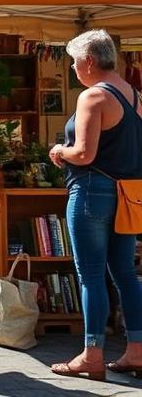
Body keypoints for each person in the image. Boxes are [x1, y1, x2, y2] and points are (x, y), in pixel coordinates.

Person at [48, 30, 142, 381]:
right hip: (128, 194)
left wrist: (59, 151)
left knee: (90, 276)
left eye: (73, 62)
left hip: (92, 191)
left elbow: (84, 154)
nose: (73, 69)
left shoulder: (94, 97)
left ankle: (92, 354)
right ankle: (136, 350)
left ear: (89, 60)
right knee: (125, 275)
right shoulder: (135, 96)